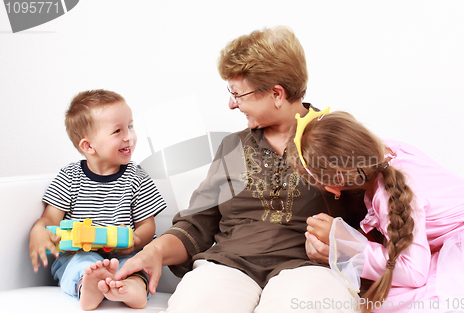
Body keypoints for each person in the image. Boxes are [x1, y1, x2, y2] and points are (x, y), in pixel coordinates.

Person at [113, 26, 366, 313]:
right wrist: (155, 251)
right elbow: (198, 223)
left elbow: (375, 224)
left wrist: (344, 245)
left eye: (238, 94)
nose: (232, 104)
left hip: (309, 267)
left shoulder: (339, 140)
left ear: (277, 94)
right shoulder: (232, 146)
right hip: (227, 265)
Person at [287, 110, 464, 313]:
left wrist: (348, 245)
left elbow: (414, 273)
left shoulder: (388, 195)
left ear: (333, 185)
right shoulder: (392, 152)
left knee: (392, 305)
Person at [29, 89, 166, 310]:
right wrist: (38, 231)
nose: (129, 136)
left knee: (136, 266)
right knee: (80, 265)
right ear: (88, 146)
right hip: (79, 255)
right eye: (117, 131)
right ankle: (88, 287)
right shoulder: (69, 177)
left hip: (124, 254)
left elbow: (147, 225)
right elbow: (49, 218)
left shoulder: (137, 177)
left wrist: (135, 241)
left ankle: (134, 288)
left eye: (130, 126)